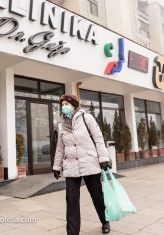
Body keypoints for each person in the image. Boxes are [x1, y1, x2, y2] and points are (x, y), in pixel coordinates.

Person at [53, 94, 111, 235]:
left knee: (97, 196)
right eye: (62, 105)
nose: (64, 107)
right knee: (71, 199)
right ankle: (72, 232)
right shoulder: (61, 125)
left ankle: (104, 221)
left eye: (66, 104)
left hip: (89, 163)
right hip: (71, 165)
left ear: (74, 105)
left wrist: (104, 158)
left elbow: (98, 138)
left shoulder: (87, 118)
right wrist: (56, 166)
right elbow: (60, 147)